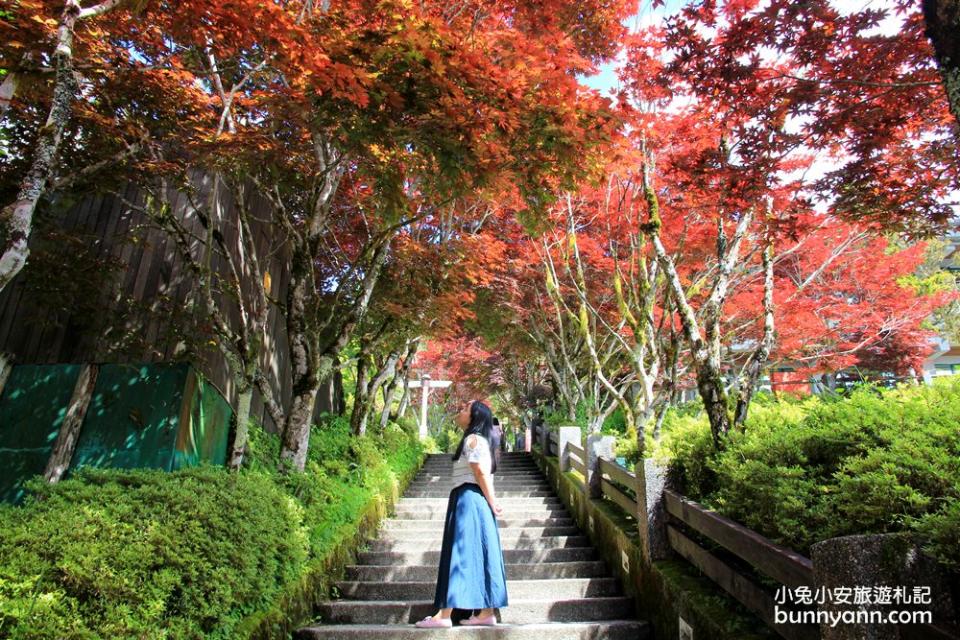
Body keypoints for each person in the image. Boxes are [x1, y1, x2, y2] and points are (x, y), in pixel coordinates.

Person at [414, 400, 509, 628]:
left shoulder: (473, 440)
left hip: (468, 499)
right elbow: (483, 474)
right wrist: (491, 503)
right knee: (482, 552)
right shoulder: (481, 440)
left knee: (460, 552)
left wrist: (493, 502)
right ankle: (486, 613)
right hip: (477, 501)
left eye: (465, 409)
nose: (460, 411)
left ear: (475, 417)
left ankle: (444, 615)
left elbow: (479, 473)